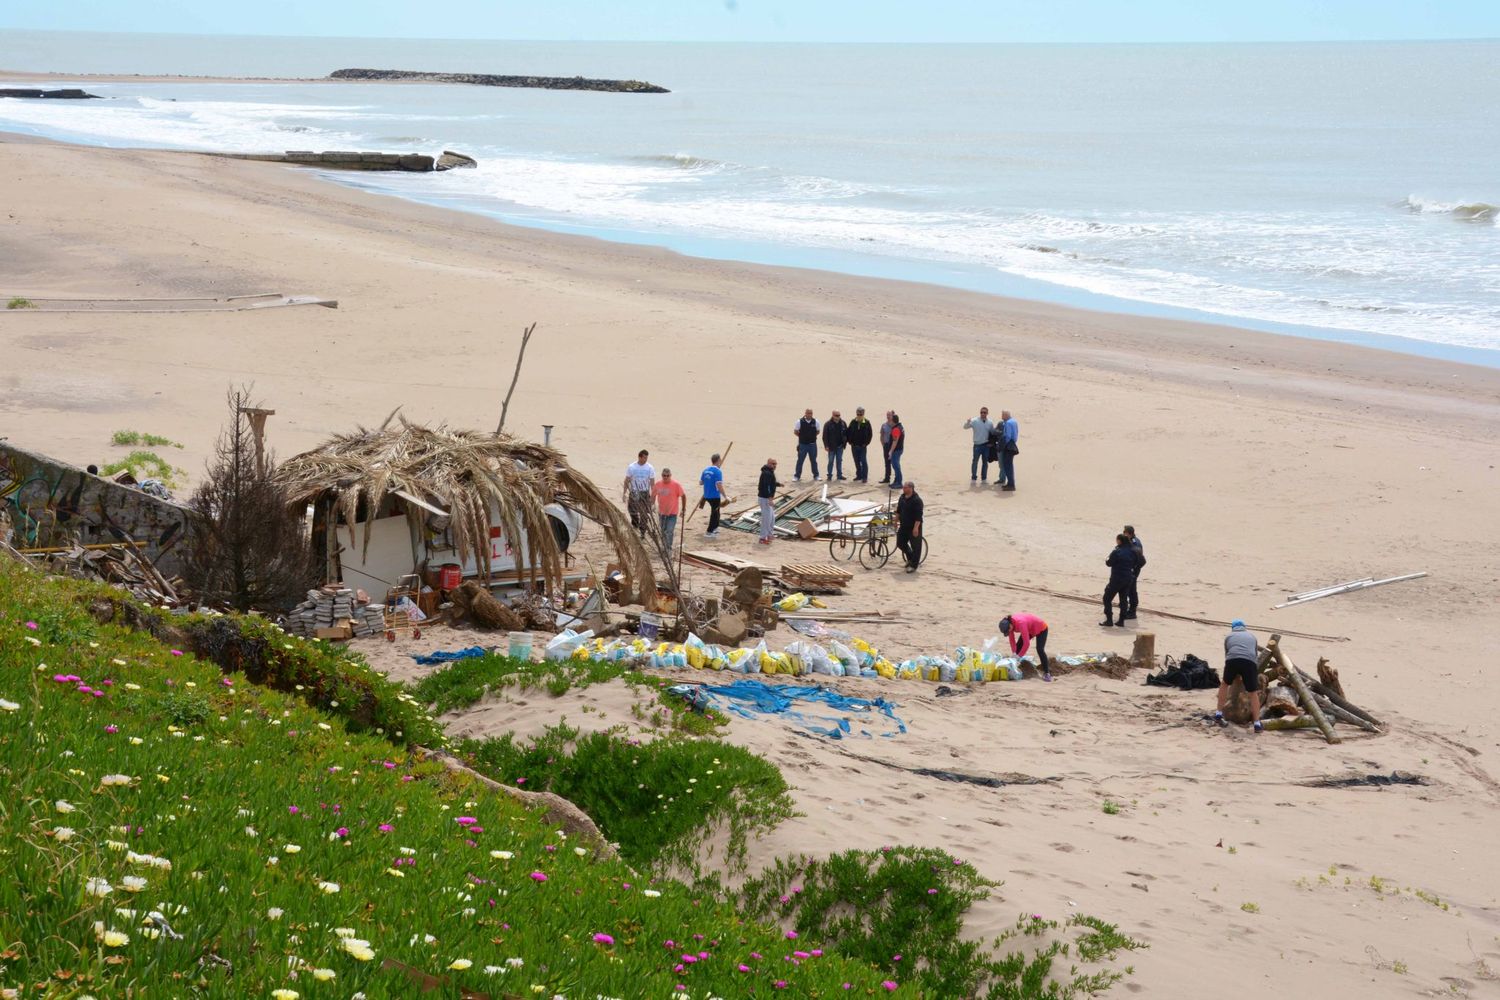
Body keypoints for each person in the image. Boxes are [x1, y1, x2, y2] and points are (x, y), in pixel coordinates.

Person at [1214, 620, 1264, 733]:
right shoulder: (1252, 637)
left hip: (1232, 660)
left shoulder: (1229, 637)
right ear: (1244, 628)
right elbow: (1254, 656)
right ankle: (1257, 723)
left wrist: (1235, 673)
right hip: (1249, 663)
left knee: (1225, 684)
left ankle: (1218, 714)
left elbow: (1227, 655)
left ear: (1233, 628)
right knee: (1253, 692)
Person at [999, 613, 1052, 681]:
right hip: (1029, 628)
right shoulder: (1009, 625)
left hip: (1041, 628)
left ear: (1010, 625)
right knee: (1018, 647)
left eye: (1008, 630)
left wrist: (1019, 656)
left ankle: (1047, 673)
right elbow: (1012, 641)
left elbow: (1027, 644)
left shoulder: (1021, 623)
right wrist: (1014, 653)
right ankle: (1015, 668)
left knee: (1040, 649)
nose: (1008, 631)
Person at [1101, 533, 1134, 627]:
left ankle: (1109, 620)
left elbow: (1109, 563)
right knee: (1123, 599)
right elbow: (1141, 561)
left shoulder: (1117, 551)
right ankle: (1121, 621)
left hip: (1117, 578)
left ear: (1119, 541)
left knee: (1107, 598)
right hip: (1128, 578)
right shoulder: (1133, 550)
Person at [622, 449, 655, 538]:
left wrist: (653, 496)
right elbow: (627, 480)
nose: (646, 459)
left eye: (647, 458)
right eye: (644, 458)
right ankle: (635, 523)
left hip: (644, 492)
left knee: (644, 514)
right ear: (639, 457)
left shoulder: (650, 468)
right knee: (632, 511)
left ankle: (642, 531)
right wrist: (624, 493)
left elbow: (652, 482)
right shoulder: (632, 467)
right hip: (634, 492)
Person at [652, 468, 686, 554]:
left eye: (667, 476)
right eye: (664, 475)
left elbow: (683, 496)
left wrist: (683, 509)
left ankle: (668, 548)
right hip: (662, 513)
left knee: (670, 530)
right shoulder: (658, 484)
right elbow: (652, 495)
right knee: (663, 530)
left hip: (672, 513)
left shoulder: (676, 485)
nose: (665, 477)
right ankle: (664, 546)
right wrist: (652, 505)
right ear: (662, 475)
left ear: (670, 476)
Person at [895, 480, 923, 573]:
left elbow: (919, 516)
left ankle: (913, 565)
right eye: (903, 487)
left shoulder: (917, 500)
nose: (903, 489)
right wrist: (895, 520)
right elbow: (898, 510)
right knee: (900, 543)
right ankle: (910, 558)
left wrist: (916, 528)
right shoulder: (902, 497)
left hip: (914, 526)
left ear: (911, 488)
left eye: (905, 487)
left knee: (916, 547)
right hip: (903, 526)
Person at [964, 407, 995, 483]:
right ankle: (973, 478)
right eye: (981, 412)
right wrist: (968, 422)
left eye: (984, 412)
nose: (983, 414)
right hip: (977, 445)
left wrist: (992, 443)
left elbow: (993, 434)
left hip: (986, 445)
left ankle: (984, 478)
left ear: (987, 413)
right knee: (975, 461)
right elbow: (965, 427)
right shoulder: (975, 421)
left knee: (985, 462)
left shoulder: (990, 422)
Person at [756, 458, 782, 545]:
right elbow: (767, 486)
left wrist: (778, 484)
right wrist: (770, 498)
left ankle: (769, 535)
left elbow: (771, 483)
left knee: (772, 518)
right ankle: (762, 538)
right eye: (773, 464)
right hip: (765, 498)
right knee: (766, 520)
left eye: (776, 464)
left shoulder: (769, 471)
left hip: (766, 498)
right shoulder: (767, 473)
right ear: (768, 463)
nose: (775, 466)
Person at [699, 454, 726, 538]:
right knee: (714, 513)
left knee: (717, 512)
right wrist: (725, 496)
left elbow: (701, 482)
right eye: (720, 460)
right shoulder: (718, 471)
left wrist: (708, 480)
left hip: (707, 495)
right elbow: (719, 485)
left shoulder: (706, 470)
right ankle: (709, 531)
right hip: (714, 496)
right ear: (718, 460)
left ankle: (715, 528)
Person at [1123, 525, 1145, 620]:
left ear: (1129, 533)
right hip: (1129, 569)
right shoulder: (1130, 541)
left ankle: (1132, 611)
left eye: (1125, 532)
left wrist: (1133, 569)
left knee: (1132, 589)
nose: (1123, 533)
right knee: (1127, 588)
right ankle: (1129, 609)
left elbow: (1140, 560)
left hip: (1133, 570)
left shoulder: (1135, 544)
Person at [847, 407, 873, 483]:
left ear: (863, 414)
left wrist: (866, 443)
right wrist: (849, 441)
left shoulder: (867, 422)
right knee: (856, 461)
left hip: (862, 446)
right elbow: (848, 432)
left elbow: (870, 434)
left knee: (863, 461)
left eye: (861, 414)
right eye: (858, 414)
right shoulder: (853, 422)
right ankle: (859, 476)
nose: (859, 415)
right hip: (854, 446)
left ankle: (864, 477)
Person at [793, 408, 820, 482]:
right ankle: (797, 476)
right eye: (808, 413)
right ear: (805, 413)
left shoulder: (816, 421)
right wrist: (802, 437)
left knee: (813, 460)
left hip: (812, 445)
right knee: (800, 460)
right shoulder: (799, 421)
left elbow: (818, 431)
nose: (809, 414)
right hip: (803, 445)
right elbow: (795, 431)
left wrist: (811, 437)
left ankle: (816, 475)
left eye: (810, 413)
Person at [822, 410, 848, 481]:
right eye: (836, 415)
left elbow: (846, 433)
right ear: (833, 415)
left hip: (840, 446)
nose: (838, 417)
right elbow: (825, 436)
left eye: (839, 415)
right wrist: (826, 446)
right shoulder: (828, 424)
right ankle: (829, 475)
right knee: (830, 461)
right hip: (831, 447)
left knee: (839, 461)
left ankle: (839, 475)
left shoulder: (843, 423)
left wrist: (845, 443)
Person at [997, 410, 1019, 491]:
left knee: (1008, 465)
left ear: (1006, 415)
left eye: (1002, 415)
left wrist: (1003, 445)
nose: (1001, 416)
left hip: (1008, 446)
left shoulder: (1008, 423)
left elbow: (1007, 436)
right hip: (1013, 444)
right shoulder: (1014, 421)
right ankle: (1010, 483)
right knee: (1009, 465)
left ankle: (1011, 485)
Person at [888, 413, 906, 488]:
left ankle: (899, 482)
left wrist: (890, 451)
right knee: (896, 465)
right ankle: (896, 481)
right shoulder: (900, 427)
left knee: (896, 466)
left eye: (890, 420)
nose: (889, 421)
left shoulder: (896, 429)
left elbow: (895, 441)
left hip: (896, 450)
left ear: (893, 421)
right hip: (899, 449)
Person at [879, 411, 895, 484]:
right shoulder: (884, 425)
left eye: (889, 415)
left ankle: (896, 479)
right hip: (886, 445)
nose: (888, 416)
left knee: (894, 462)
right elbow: (881, 435)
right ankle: (887, 478)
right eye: (887, 415)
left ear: (893, 416)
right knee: (887, 463)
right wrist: (883, 444)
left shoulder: (895, 425)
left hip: (894, 446)